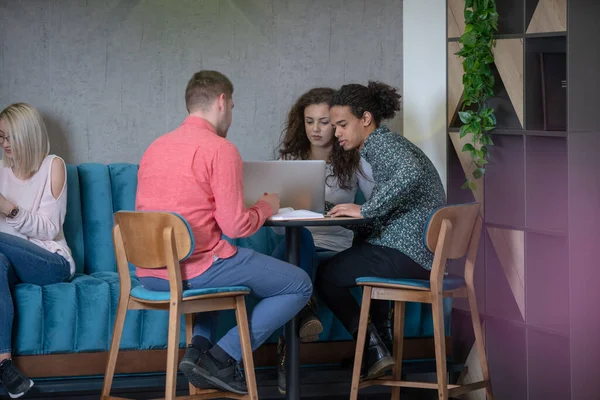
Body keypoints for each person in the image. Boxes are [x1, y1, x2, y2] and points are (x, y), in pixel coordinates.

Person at [135, 70, 313, 395]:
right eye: (232, 105)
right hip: (193, 268)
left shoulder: (155, 147)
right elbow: (236, 227)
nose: (231, 112)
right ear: (222, 101)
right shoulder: (220, 148)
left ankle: (198, 350)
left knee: (220, 272)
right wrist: (266, 206)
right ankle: (221, 357)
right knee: (299, 284)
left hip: (149, 272)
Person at [318, 81, 446, 380]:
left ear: (365, 119)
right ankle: (378, 351)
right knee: (359, 254)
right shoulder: (385, 144)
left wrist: (365, 209)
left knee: (326, 276)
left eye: (342, 124)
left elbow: (410, 174)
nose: (336, 132)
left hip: (410, 251)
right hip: (420, 251)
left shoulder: (381, 144)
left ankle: (373, 349)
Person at [271, 87, 374, 393]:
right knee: (297, 239)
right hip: (293, 244)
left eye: (324, 121)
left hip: (335, 248)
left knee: (292, 276)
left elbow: (374, 204)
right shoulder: (288, 159)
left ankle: (294, 332)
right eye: (309, 121)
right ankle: (371, 346)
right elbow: (278, 226)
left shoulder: (353, 157)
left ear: (338, 122)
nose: (316, 129)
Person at [0, 103, 75, 398]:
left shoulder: (52, 166)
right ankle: (4, 366)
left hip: (51, 262)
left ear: (27, 135)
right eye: (0, 137)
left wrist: (8, 208)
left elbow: (47, 227)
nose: (4, 144)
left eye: (9, 137)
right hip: (11, 261)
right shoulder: (1, 173)